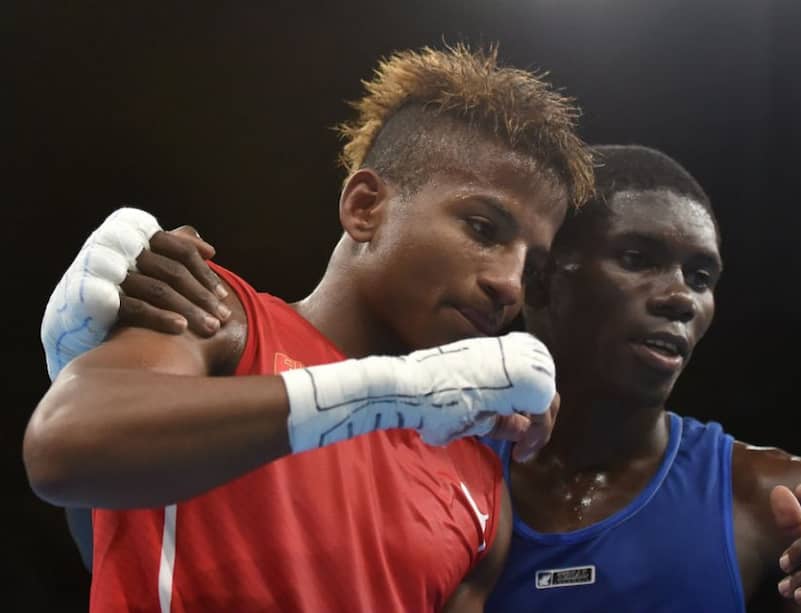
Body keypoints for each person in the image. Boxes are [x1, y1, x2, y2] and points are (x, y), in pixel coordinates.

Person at [23, 44, 596, 612]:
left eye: (532, 267)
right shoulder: (218, 317)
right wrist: (398, 390)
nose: (510, 285)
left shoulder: (480, 485)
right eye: (483, 228)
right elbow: (60, 448)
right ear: (366, 207)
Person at [483, 145, 801, 612]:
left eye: (700, 276)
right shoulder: (442, 475)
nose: (681, 297)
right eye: (637, 258)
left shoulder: (775, 497)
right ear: (540, 279)